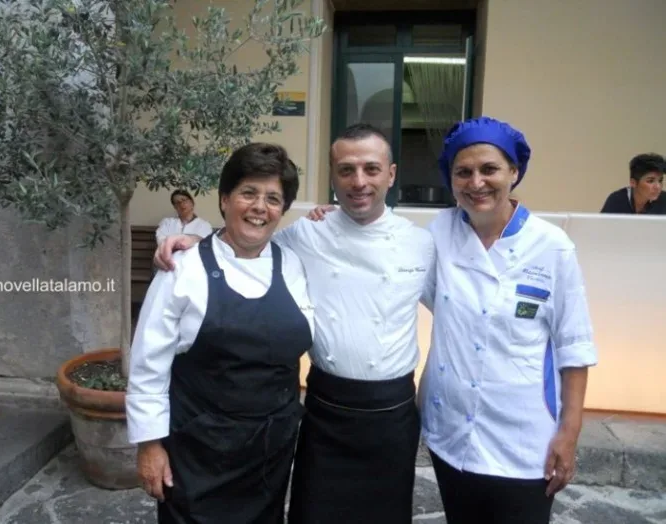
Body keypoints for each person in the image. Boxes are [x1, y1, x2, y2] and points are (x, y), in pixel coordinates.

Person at [153, 123, 435, 523]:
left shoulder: (421, 243)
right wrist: (197, 245)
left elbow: (454, 311)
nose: (359, 182)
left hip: (392, 413)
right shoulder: (306, 234)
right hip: (326, 410)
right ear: (332, 176)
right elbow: (246, 247)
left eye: (371, 169)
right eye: (346, 170)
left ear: (391, 174)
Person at [417, 116, 598, 523]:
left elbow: (574, 346)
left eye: (490, 169)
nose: (476, 182)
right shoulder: (439, 234)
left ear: (514, 172)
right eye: (463, 172)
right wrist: (331, 218)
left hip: (523, 442)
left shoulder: (551, 246)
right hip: (450, 437)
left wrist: (569, 433)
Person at [125, 143, 315, 523]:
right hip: (198, 455)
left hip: (270, 454)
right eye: (248, 193)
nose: (260, 207)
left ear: (282, 210)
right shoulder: (183, 268)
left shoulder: (293, 264)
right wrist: (149, 445)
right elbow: (148, 364)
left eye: (273, 198)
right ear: (225, 199)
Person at [600, 153, 666, 214]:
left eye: (660, 180)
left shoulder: (664, 199)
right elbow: (602, 223)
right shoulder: (616, 200)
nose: (658, 186)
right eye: (650, 181)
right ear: (633, 183)